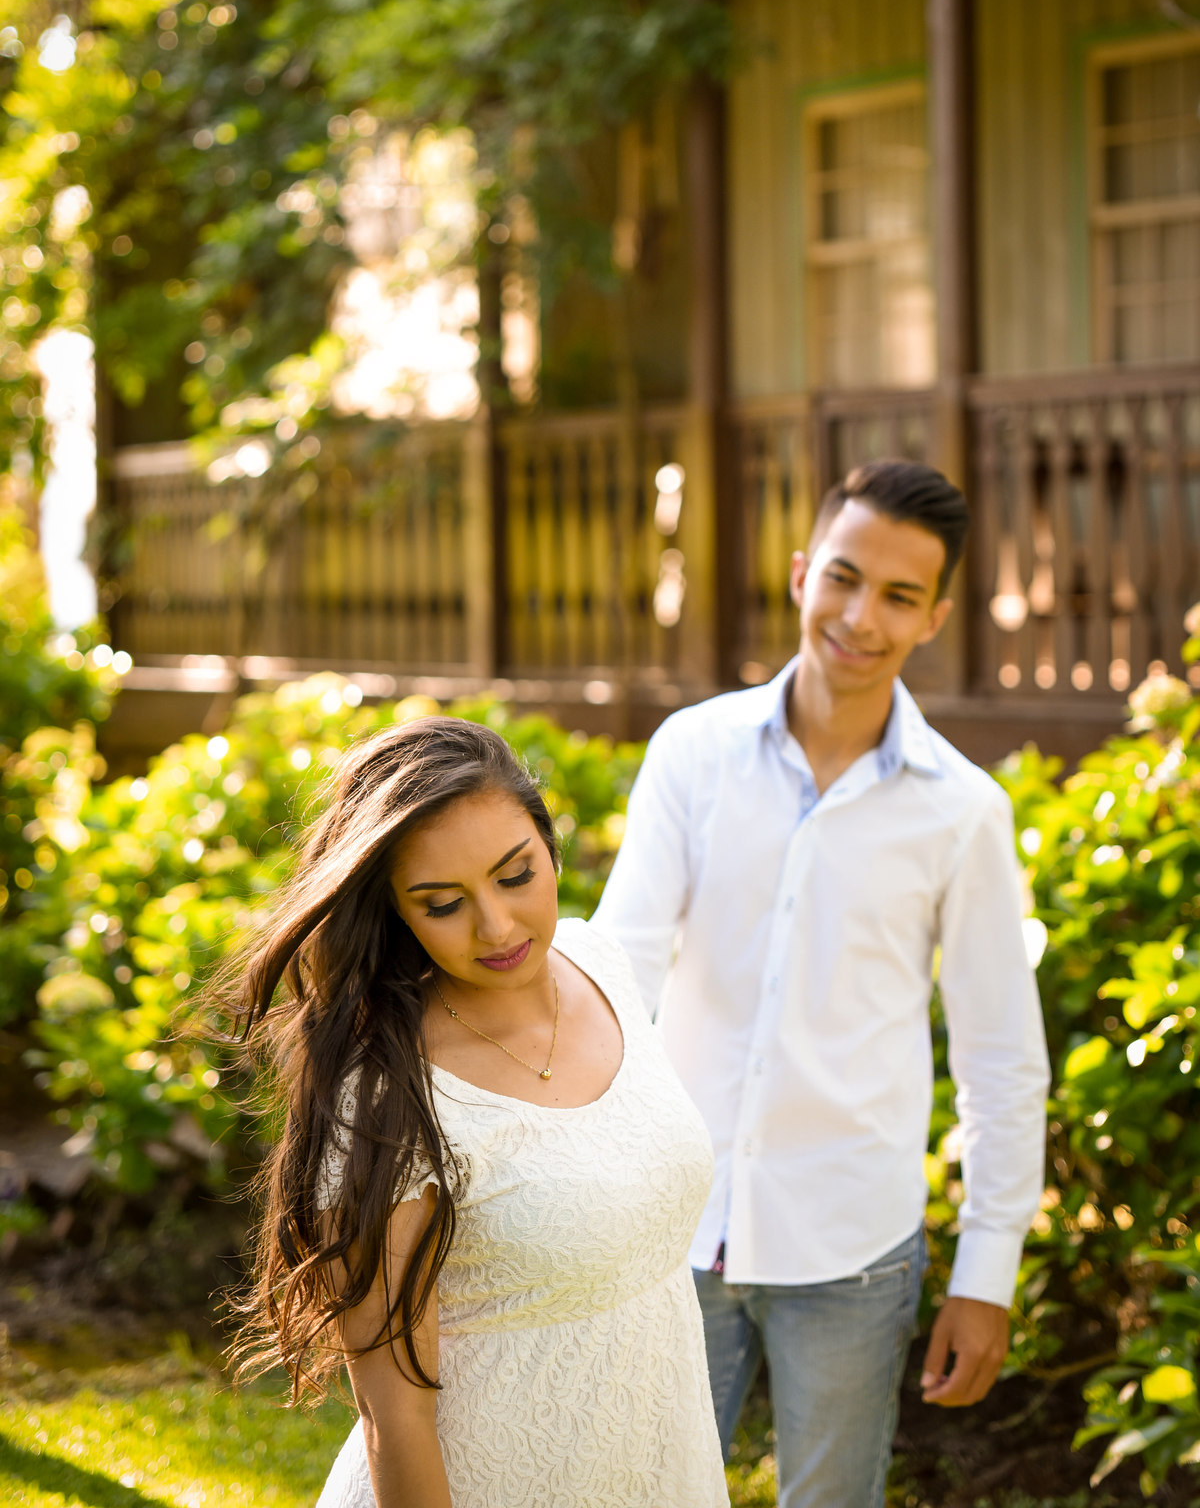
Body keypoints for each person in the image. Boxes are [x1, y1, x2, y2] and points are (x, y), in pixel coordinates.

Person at [593, 458, 1051, 1508]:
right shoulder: (691, 754)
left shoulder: (963, 814)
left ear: (935, 616)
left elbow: (998, 1060)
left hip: (852, 1250)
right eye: (843, 577)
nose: (860, 615)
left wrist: (985, 1280)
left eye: (898, 596)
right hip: (673, 1224)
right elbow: (621, 976)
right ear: (803, 573)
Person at [225, 715, 729, 1508]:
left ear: (547, 843)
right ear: (394, 911)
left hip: (661, 1468)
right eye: (442, 903)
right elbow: (393, 1413)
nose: (496, 927)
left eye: (515, 875)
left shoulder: (602, 963)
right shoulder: (387, 1093)